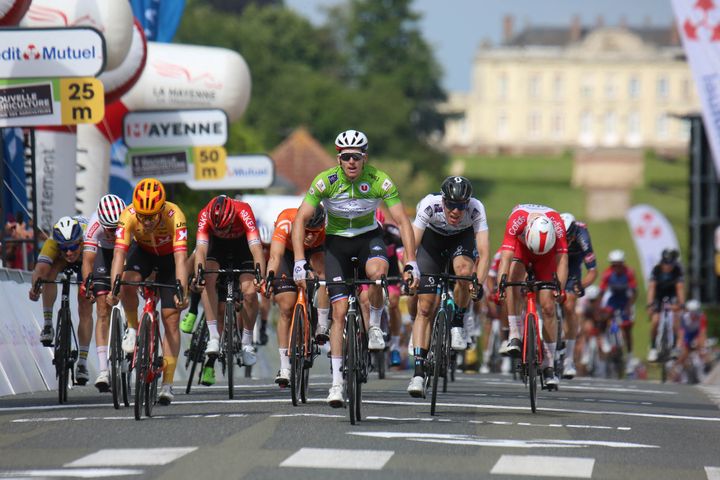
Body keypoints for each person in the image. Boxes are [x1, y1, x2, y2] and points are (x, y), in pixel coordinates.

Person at [292, 129, 419, 407]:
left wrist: (411, 261)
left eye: (357, 157)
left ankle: (374, 325)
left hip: (368, 240)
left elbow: (402, 221)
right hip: (336, 244)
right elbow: (300, 219)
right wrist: (300, 262)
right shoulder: (325, 181)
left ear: (365, 158)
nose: (351, 162)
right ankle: (336, 383)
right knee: (338, 314)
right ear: (339, 159)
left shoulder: (379, 180)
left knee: (377, 274)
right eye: (346, 157)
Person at [406, 176, 490, 397]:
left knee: (464, 273)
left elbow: (484, 251)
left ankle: (458, 320)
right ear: (443, 201)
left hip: (461, 240)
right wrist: (410, 271)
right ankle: (417, 373)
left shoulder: (476, 209)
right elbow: (412, 246)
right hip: (431, 243)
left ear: (467, 203)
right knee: (425, 307)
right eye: (451, 205)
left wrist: (478, 283)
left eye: (461, 206)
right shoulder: (429, 205)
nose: (456, 211)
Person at [107, 178, 189, 405]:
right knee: (127, 282)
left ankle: (168, 384)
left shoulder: (176, 215)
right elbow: (119, 255)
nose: (146, 221)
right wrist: (115, 285)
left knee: (171, 319)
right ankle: (133, 329)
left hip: (169, 261)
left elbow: (181, 258)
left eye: (151, 216)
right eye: (142, 216)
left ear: (162, 208)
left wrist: (182, 290)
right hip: (142, 254)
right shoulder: (128, 215)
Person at [190, 195, 266, 386]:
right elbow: (200, 250)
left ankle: (247, 343)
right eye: (220, 227)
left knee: (249, 292)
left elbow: (256, 249)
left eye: (226, 226)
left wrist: (260, 277)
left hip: (242, 248)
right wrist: (198, 274)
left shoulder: (244, 210)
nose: (224, 230)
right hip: (218, 249)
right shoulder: (204, 214)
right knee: (207, 277)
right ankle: (214, 337)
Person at [495, 204, 568, 387]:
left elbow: (562, 260)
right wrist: (501, 285)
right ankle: (514, 333)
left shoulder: (558, 225)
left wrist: (560, 288)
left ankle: (549, 365)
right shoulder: (517, 219)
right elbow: (505, 257)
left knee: (549, 307)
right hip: (522, 249)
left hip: (547, 256)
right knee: (512, 280)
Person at [266, 206, 329, 386]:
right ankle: (285, 367)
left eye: (314, 232)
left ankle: (322, 325)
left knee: (323, 275)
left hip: (314, 253)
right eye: (307, 231)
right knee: (286, 306)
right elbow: (275, 256)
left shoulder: (326, 229)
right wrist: (270, 276)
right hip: (287, 252)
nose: (309, 236)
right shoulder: (286, 220)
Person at [29, 215, 93, 384]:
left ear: (79, 241)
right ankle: (48, 324)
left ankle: (83, 363)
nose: (69, 252)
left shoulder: (88, 241)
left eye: (72, 247)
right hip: (59, 262)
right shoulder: (53, 244)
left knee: (85, 305)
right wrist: (35, 288)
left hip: (85, 260)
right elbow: (39, 270)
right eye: (64, 248)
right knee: (49, 273)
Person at [81, 194, 126, 391]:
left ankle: (130, 331)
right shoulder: (94, 225)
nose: (111, 232)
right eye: (108, 229)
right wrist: (88, 284)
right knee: (102, 309)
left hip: (123, 250)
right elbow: (88, 261)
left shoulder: (128, 221)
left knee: (126, 288)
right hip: (102, 255)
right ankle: (103, 371)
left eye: (115, 228)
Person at [558, 213, 597, 379]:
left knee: (569, 306)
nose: (566, 241)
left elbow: (593, 271)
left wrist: (580, 286)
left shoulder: (583, 236)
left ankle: (569, 360)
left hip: (573, 266)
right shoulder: (554, 232)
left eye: (569, 238)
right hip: (555, 260)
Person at [598, 249, 638, 370]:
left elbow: (634, 292)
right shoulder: (608, 273)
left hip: (626, 300)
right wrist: (600, 308)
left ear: (623, 263)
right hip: (613, 299)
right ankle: (604, 338)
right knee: (605, 316)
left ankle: (630, 357)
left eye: (619, 264)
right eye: (613, 264)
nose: (616, 267)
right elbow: (602, 292)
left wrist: (628, 307)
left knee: (627, 328)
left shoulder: (629, 273)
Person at [646, 248, 685, 362]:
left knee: (675, 320)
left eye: (670, 264)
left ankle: (674, 346)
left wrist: (681, 304)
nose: (667, 266)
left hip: (672, 294)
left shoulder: (677, 270)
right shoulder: (656, 270)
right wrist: (650, 305)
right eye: (665, 263)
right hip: (659, 295)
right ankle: (653, 347)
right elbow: (652, 288)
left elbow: (680, 288)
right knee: (655, 321)